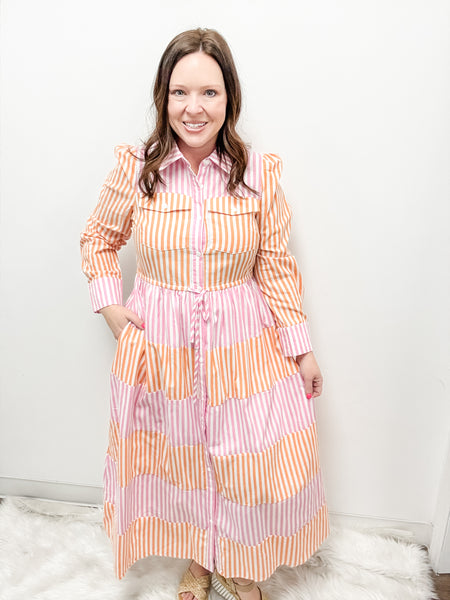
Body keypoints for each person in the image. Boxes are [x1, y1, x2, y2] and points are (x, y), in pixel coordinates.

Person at [80, 27, 330, 600]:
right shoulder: (137, 169)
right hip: (161, 342)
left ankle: (237, 563)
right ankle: (199, 560)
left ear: (229, 99)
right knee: (185, 457)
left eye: (209, 93)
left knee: (245, 461)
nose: (193, 108)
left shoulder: (257, 175)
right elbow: (97, 238)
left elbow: (274, 263)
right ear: (163, 97)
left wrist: (302, 347)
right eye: (179, 93)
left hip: (243, 340)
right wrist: (112, 309)